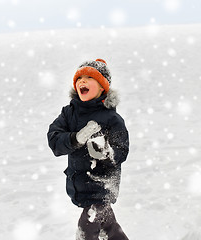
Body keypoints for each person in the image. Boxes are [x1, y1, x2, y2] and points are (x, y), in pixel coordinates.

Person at [47, 59, 129, 240]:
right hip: (80, 183)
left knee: (88, 226)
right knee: (109, 228)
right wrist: (75, 139)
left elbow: (121, 150)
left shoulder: (112, 119)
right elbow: (54, 139)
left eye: (89, 78)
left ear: (102, 87)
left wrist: (105, 152)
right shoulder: (69, 113)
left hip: (102, 185)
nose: (82, 81)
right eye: (79, 78)